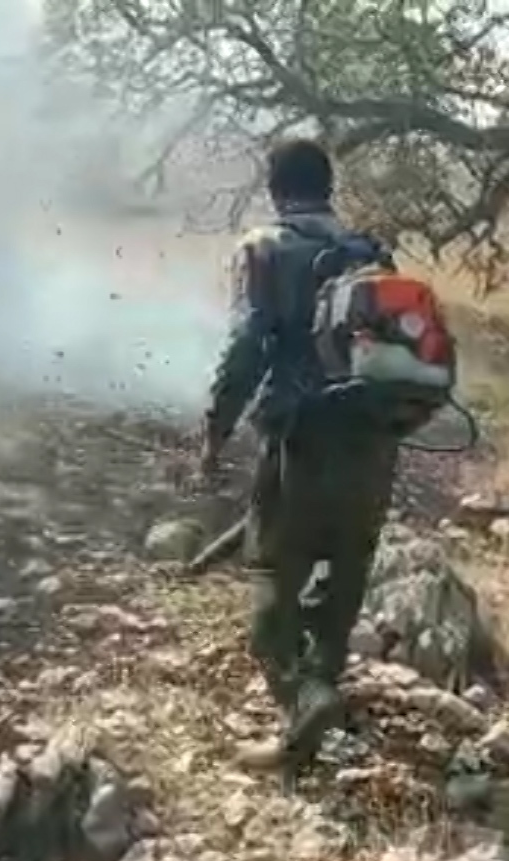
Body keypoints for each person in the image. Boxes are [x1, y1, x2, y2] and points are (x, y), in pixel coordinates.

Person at [199, 138, 403, 779]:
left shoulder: (264, 248)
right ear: (329, 186)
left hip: (300, 444)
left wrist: (215, 429)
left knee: (271, 587)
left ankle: (306, 700)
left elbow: (246, 347)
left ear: (275, 188)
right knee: (342, 584)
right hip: (374, 443)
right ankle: (304, 738)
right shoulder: (371, 253)